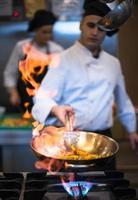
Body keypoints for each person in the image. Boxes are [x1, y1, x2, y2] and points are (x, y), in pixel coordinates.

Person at [32, 1, 138, 170]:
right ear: (81, 25)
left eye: (101, 28)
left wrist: (132, 130)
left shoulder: (113, 63)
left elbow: (123, 100)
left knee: (107, 191)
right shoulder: (62, 59)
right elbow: (41, 99)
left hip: (103, 141)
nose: (95, 32)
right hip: (71, 142)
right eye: (91, 25)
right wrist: (56, 109)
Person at [3, 9, 63, 113]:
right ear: (36, 30)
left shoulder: (57, 50)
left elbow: (62, 77)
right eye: (44, 32)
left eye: (50, 32)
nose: (47, 36)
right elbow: (10, 73)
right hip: (24, 98)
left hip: (48, 101)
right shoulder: (21, 47)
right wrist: (13, 93)